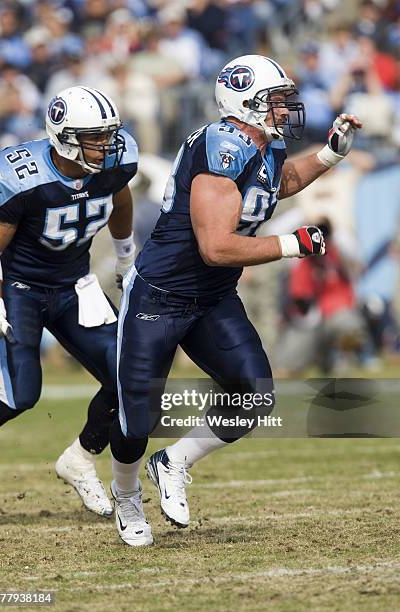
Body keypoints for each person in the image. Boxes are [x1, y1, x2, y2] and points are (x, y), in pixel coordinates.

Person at [110, 55, 362, 546]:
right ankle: (125, 495)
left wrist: (330, 155)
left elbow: (278, 185)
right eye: (276, 99)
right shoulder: (222, 147)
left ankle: (175, 461)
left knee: (253, 393)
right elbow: (216, 246)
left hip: (213, 294)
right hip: (161, 294)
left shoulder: (261, 145)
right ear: (244, 101)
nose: (286, 107)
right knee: (138, 413)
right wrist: (293, 244)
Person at [0, 86, 138, 518]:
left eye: (108, 133)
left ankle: (80, 458)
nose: (105, 144)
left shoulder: (116, 161)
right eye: (93, 136)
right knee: (19, 394)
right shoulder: (23, 174)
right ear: (64, 136)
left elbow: (121, 197)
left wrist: (126, 256)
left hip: (74, 284)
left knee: (132, 376)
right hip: (20, 287)